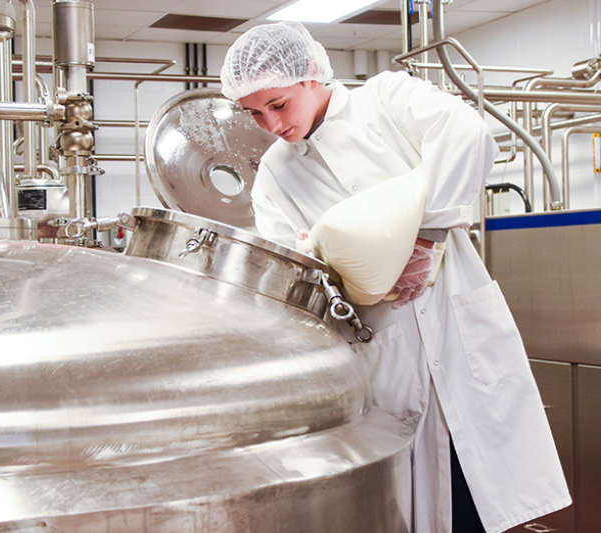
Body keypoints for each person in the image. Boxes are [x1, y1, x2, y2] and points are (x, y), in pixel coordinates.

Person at [220, 21, 571, 533]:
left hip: (455, 327)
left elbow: (467, 134)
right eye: (254, 113)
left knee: (477, 489)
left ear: (312, 76)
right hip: (383, 348)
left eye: (278, 104)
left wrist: (425, 238)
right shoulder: (276, 172)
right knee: (409, 499)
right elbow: (288, 266)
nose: (271, 125)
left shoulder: (384, 99)